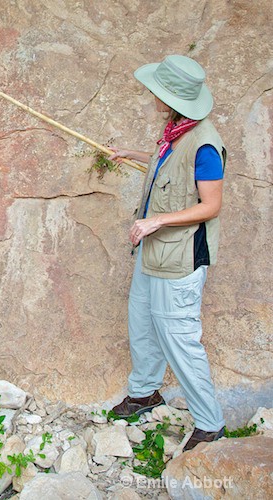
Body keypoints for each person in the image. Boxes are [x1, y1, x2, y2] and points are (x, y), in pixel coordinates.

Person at [108, 55, 226, 452]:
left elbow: (210, 205)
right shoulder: (176, 130)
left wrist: (156, 221)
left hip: (179, 259)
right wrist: (133, 155)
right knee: (141, 321)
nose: (151, 95)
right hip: (154, 253)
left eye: (157, 90)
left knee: (179, 337)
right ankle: (145, 393)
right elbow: (166, 166)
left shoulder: (205, 143)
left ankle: (211, 423)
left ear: (172, 97)